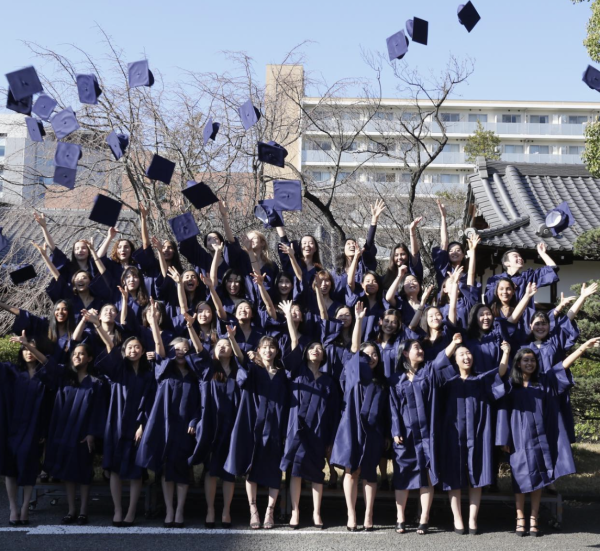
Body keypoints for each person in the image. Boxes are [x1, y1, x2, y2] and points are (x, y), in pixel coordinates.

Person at [502, 339, 600, 537]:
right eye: (525, 360)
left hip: (540, 438)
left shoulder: (544, 381)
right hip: (518, 439)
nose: (529, 363)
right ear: (518, 363)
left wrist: (581, 349)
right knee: (519, 480)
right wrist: (504, 439)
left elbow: (561, 366)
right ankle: (520, 518)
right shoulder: (511, 386)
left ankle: (533, 519)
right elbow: (502, 414)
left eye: (532, 360)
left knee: (539, 478)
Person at [388, 334, 462, 535]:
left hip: (427, 434)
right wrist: (395, 431)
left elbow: (440, 361)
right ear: (405, 353)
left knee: (427, 475)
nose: (420, 351)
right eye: (416, 348)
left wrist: (453, 345)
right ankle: (400, 517)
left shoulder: (428, 371)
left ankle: (424, 518)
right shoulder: (396, 379)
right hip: (405, 434)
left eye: (421, 348)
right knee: (403, 475)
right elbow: (393, 408)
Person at [92, 307, 158, 527]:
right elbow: (110, 346)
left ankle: (131, 512)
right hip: (117, 424)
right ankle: (118, 510)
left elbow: (151, 402)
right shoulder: (120, 370)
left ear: (142, 350)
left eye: (137, 347)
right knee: (114, 469)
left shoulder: (149, 375)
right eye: (129, 347)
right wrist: (96, 324)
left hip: (137, 426)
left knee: (136, 470)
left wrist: (143, 425)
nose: (133, 350)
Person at [135, 326, 205, 528]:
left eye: (185, 349)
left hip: (185, 428)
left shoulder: (195, 376)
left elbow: (201, 403)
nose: (181, 352)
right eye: (177, 349)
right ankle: (169, 510)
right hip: (165, 426)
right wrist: (154, 324)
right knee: (166, 469)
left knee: (181, 469)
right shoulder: (163, 371)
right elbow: (158, 347)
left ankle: (180, 510)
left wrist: (194, 421)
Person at [279, 301, 340, 529]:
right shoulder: (296, 372)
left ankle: (316, 513)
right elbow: (294, 342)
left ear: (324, 356)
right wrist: (288, 317)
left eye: (320, 349)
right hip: (296, 429)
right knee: (295, 471)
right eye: (312, 348)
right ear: (305, 354)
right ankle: (295, 512)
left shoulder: (329, 382)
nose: (316, 350)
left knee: (316, 472)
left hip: (318, 432)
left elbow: (333, 414)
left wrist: (331, 440)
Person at [440, 340, 511, 535]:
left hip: (477, 433)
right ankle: (457, 518)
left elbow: (501, 373)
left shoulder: (481, 380)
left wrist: (505, 353)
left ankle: (472, 519)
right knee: (453, 475)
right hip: (453, 434)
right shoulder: (448, 380)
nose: (466, 356)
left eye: (468, 353)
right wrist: (453, 344)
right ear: (454, 360)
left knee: (476, 475)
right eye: (461, 354)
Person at [330, 302, 389, 532]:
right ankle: (351, 514)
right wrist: (359, 320)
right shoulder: (355, 371)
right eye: (367, 354)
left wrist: (385, 433)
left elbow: (385, 412)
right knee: (350, 470)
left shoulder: (382, 383)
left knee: (369, 472)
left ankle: (368, 514)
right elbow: (355, 349)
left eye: (375, 353)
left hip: (373, 431)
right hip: (352, 427)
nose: (371, 356)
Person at [224, 335, 290, 530]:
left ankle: (270, 511)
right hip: (253, 425)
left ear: (276, 351)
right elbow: (241, 362)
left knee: (274, 469)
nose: (268, 350)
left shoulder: (282, 374)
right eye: (264, 347)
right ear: (259, 351)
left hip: (275, 426)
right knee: (251, 469)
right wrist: (232, 338)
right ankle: (253, 510)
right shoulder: (253, 370)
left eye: (271, 347)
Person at [42, 343, 106, 525]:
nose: (76, 357)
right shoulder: (64, 379)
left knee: (84, 473)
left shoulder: (96, 383)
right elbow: (47, 363)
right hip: (63, 431)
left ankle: (84, 511)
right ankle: (71, 510)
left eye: (81, 354)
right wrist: (30, 348)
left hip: (83, 434)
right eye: (74, 354)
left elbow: (98, 411)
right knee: (68, 474)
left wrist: (92, 433)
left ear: (89, 358)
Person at [189, 326, 242, 529]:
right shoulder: (208, 369)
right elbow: (199, 349)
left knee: (229, 471)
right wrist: (190, 327)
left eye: (226, 345)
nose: (222, 348)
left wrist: (232, 338)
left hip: (232, 427)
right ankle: (211, 509)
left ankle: (226, 511)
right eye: (218, 345)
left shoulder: (239, 372)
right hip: (211, 426)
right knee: (211, 470)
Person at [1, 334, 54, 526]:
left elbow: (49, 364)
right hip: (12, 427)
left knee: (29, 466)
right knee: (10, 469)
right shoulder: (12, 372)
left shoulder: (45, 374)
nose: (28, 352)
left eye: (31, 349)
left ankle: (25, 508)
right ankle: (14, 508)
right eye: (24, 349)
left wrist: (29, 344)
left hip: (33, 428)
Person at [484, 242, 558, 306]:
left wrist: (542, 254)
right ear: (506, 263)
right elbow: (488, 300)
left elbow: (552, 269)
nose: (520, 258)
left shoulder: (528, 277)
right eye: (515, 256)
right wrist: (503, 285)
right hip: (502, 319)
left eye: (520, 257)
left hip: (524, 319)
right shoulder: (495, 279)